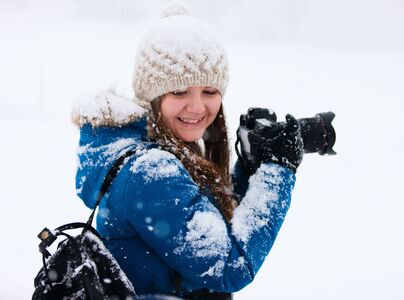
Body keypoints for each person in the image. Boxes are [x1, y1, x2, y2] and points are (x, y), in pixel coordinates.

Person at [72, 1, 303, 299]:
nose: (197, 107)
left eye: (209, 91)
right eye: (180, 91)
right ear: (153, 96)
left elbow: (214, 229)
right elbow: (229, 265)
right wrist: (276, 172)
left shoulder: (157, 153)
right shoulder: (150, 172)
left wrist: (249, 168)